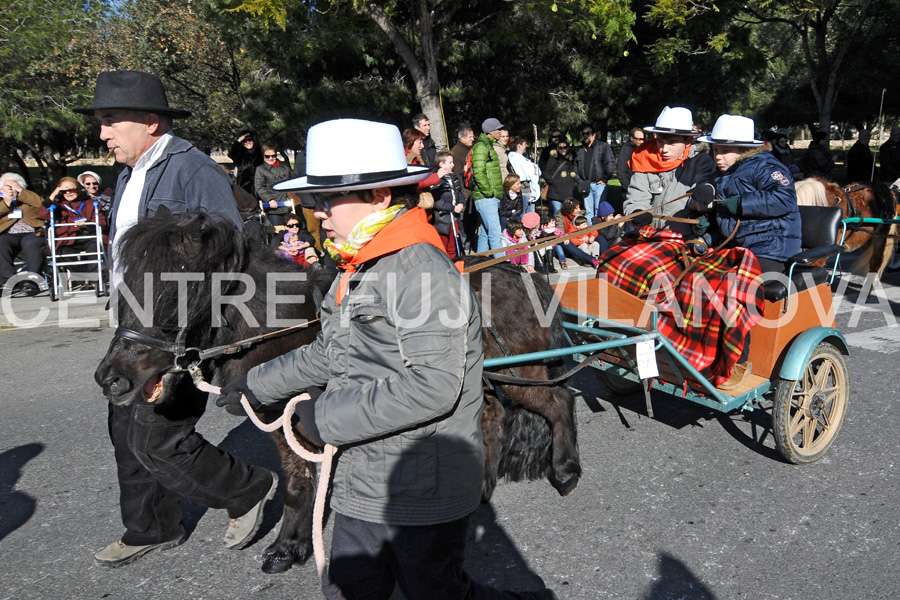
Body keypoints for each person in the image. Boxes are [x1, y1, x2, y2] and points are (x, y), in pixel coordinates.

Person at [215, 118, 554, 600]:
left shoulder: (421, 273)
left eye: (329, 199)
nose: (319, 213)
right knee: (351, 587)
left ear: (378, 197)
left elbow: (432, 387)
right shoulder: (356, 266)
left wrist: (322, 420)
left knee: (435, 592)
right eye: (315, 201)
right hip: (366, 476)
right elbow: (331, 350)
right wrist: (259, 384)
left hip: (421, 487)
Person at [74, 70, 277, 568]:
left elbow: (227, 247)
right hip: (136, 318)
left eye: (109, 121)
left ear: (149, 122)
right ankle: (151, 527)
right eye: (101, 122)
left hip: (179, 325)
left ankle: (248, 488)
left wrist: (175, 318)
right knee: (124, 423)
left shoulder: (194, 169)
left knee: (156, 432)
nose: (102, 134)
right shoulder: (132, 170)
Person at [696, 114, 801, 275]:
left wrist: (741, 203)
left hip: (772, 249)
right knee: (698, 275)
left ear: (744, 150)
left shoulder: (765, 166)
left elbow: (784, 199)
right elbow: (730, 222)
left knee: (728, 284)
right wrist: (709, 235)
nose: (717, 156)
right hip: (741, 247)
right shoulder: (724, 174)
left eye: (725, 151)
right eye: (715, 149)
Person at [624, 106, 717, 240]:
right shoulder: (644, 159)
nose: (664, 149)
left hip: (684, 238)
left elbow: (703, 194)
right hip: (648, 234)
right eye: (660, 141)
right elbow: (637, 196)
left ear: (688, 141)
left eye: (672, 143)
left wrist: (705, 195)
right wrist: (637, 213)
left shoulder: (701, 162)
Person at [39, 176, 106, 286]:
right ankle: (83, 279)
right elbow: (43, 214)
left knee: (94, 248)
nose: (68, 192)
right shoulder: (58, 204)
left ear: (78, 189)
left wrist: (87, 223)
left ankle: (96, 280)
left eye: (72, 189)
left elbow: (102, 222)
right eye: (64, 191)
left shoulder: (90, 202)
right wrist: (55, 193)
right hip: (68, 238)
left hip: (88, 236)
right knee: (63, 253)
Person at [0, 172, 46, 295]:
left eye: (14, 185)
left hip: (31, 232)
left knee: (32, 243)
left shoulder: (28, 198)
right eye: (7, 186)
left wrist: (21, 192)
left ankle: (31, 280)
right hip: (7, 234)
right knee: (1, 243)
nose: (11, 188)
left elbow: (43, 206)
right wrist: (6, 202)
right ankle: (8, 280)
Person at [472, 117, 506, 255]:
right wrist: (489, 192)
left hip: (489, 198)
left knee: (485, 233)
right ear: (491, 132)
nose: (501, 131)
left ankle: (480, 264)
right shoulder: (481, 146)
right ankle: (503, 266)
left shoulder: (488, 144)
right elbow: (478, 172)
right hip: (486, 198)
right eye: (498, 129)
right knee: (495, 233)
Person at [574, 124, 616, 221]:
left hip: (599, 184)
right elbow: (575, 166)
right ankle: (590, 232)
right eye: (583, 134)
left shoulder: (603, 146)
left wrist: (605, 178)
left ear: (594, 135)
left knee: (599, 211)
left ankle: (599, 233)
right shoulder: (580, 150)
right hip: (586, 184)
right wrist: (579, 180)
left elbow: (611, 163)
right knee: (588, 212)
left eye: (588, 133)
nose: (585, 136)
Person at [429, 150, 465, 258]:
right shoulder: (436, 180)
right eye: (450, 162)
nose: (453, 165)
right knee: (442, 247)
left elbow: (459, 193)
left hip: (454, 218)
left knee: (453, 247)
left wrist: (461, 203)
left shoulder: (454, 177)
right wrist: (453, 208)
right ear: (441, 164)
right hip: (442, 219)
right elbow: (436, 201)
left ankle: (454, 267)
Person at [450, 125, 477, 252]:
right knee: (462, 223)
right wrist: (463, 194)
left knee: (471, 222)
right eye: (470, 137)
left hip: (470, 192)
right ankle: (464, 248)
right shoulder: (456, 152)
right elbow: (458, 175)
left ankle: (472, 244)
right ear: (461, 138)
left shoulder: (469, 150)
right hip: (463, 194)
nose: (473, 139)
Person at [255, 143, 293, 227]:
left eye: (273, 155)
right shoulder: (260, 169)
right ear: (263, 156)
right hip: (273, 207)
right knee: (277, 230)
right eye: (267, 156)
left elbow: (291, 182)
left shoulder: (285, 167)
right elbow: (259, 187)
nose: (271, 158)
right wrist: (269, 199)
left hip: (288, 204)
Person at [557, 199, 599, 268]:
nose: (579, 210)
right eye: (576, 208)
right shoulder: (561, 216)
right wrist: (565, 237)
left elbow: (588, 228)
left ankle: (602, 255)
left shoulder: (578, 216)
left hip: (581, 237)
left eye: (579, 207)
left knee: (599, 236)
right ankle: (590, 259)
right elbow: (560, 229)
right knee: (567, 242)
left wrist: (591, 237)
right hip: (569, 239)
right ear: (570, 210)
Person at [542, 140, 577, 216]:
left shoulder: (570, 159)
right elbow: (545, 173)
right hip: (555, 192)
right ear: (557, 149)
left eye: (565, 147)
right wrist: (554, 182)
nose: (563, 150)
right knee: (558, 213)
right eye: (560, 148)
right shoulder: (553, 158)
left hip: (568, 192)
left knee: (567, 213)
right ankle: (557, 228)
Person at [507, 136, 542, 214]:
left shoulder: (520, 158)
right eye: (525, 144)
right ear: (519, 145)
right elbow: (528, 172)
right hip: (524, 184)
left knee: (529, 208)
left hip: (526, 184)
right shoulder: (515, 157)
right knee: (525, 209)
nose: (526, 146)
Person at [228, 130, 264, 196]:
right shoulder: (240, 154)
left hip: (259, 185)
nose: (248, 142)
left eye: (250, 140)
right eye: (244, 141)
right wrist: (238, 141)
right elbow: (232, 155)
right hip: (244, 186)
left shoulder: (260, 152)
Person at [615, 127, 644, 202]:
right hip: (630, 191)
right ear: (631, 139)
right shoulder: (626, 150)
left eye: (642, 139)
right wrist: (629, 188)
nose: (641, 142)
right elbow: (621, 172)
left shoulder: (641, 149)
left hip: (642, 189)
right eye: (638, 139)